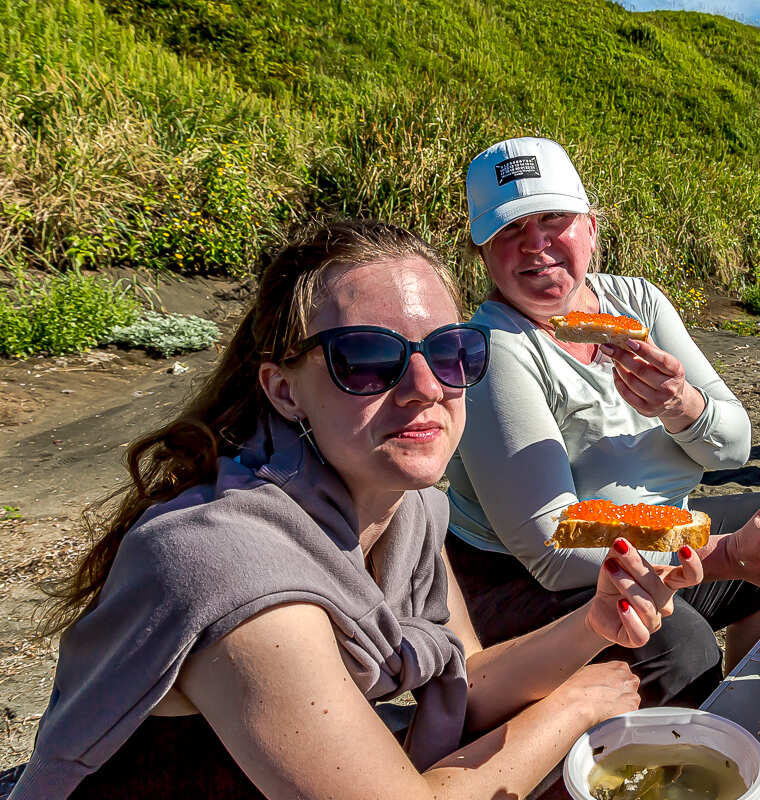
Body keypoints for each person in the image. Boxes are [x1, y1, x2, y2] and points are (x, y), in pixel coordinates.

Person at [9, 221, 702, 800]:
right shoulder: (228, 568)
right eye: (367, 360)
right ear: (284, 390)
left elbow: (465, 674)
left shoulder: (409, 509)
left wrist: (592, 624)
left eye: (451, 351)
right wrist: (575, 706)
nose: (426, 386)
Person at [446, 137, 760, 706]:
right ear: (483, 254)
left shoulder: (638, 305)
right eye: (509, 230)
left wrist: (680, 404)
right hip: (518, 578)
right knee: (680, 643)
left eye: (554, 217)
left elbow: (734, 447)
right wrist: (723, 552)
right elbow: (555, 540)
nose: (536, 244)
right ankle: (684, 748)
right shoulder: (491, 346)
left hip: (660, 532)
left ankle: (745, 703)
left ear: (592, 228)